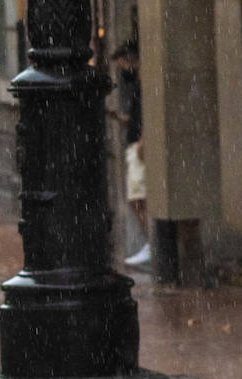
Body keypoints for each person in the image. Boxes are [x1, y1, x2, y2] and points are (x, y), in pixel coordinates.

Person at [110, 40, 150, 269]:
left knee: (137, 199)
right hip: (134, 144)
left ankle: (152, 244)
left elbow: (145, 117)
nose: (123, 71)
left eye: (123, 65)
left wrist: (142, 142)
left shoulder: (143, 85)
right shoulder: (137, 85)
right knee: (137, 198)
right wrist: (117, 117)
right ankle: (150, 243)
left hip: (138, 147)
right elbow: (135, 118)